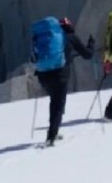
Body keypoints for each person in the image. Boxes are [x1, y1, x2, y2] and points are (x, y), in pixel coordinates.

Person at [32, 16, 93, 147]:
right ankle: (51, 136)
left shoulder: (45, 38)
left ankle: (54, 129)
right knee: (57, 105)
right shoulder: (69, 37)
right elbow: (87, 55)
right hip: (59, 75)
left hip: (43, 75)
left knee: (55, 102)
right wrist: (91, 45)